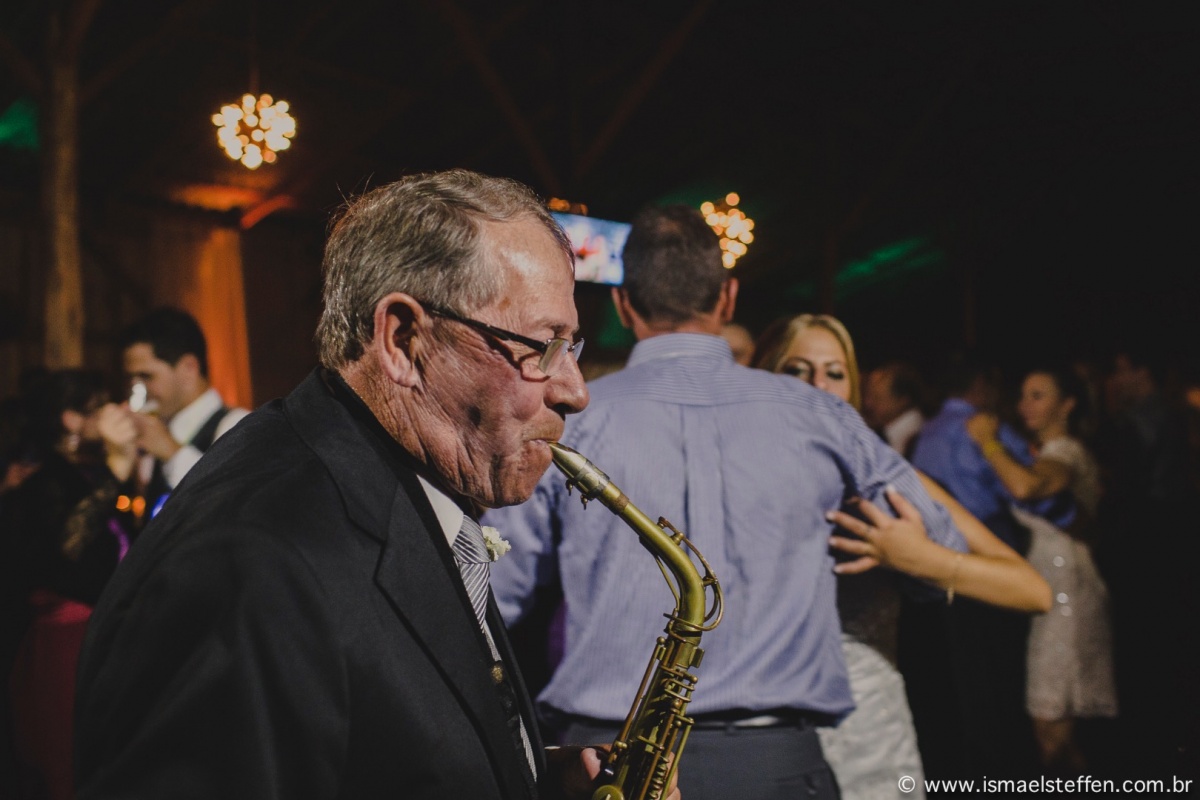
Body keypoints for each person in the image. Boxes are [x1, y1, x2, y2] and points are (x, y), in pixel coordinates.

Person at [74, 169, 651, 800]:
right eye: (543, 347)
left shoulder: (386, 478)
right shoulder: (253, 562)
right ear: (403, 339)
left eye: (573, 346)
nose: (577, 391)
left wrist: (535, 780)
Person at [484, 203, 969, 800]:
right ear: (729, 298)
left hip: (609, 767)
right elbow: (943, 544)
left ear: (622, 304)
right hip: (778, 765)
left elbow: (491, 593)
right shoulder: (821, 413)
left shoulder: (571, 418)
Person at [754, 314, 1050, 799]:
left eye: (834, 372)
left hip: (866, 730)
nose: (817, 386)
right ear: (764, 377)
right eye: (797, 370)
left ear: (852, 389)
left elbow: (1033, 590)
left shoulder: (889, 485)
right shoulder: (732, 478)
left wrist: (916, 556)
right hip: (760, 731)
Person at [966, 365, 1116, 772]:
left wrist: (987, 442)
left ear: (1067, 405)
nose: (1025, 405)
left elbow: (1025, 488)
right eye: (1024, 395)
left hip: (1068, 590)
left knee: (1050, 721)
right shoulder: (1043, 453)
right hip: (1049, 585)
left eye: (1038, 395)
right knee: (1054, 727)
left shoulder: (1065, 451)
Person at [905, 351, 1047, 780]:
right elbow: (1030, 487)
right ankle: (1015, 770)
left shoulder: (926, 434)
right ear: (982, 385)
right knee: (1010, 677)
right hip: (995, 565)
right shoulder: (985, 429)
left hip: (947, 568)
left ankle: (981, 769)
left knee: (972, 677)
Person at [1, 369, 137, 800]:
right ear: (72, 421)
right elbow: (69, 546)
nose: (114, 414)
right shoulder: (45, 479)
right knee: (67, 761)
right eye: (99, 408)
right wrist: (117, 468)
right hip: (65, 642)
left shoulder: (85, 474)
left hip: (98, 636)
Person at [118, 306, 250, 522]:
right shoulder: (155, 432)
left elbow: (234, 506)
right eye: (131, 379)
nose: (137, 390)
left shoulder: (238, 425)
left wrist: (171, 452)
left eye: (146, 376)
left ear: (189, 368)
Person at [862, 360, 928, 459]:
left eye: (877, 398)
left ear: (903, 400)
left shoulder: (919, 439)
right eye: (868, 395)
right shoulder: (880, 434)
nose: (868, 404)